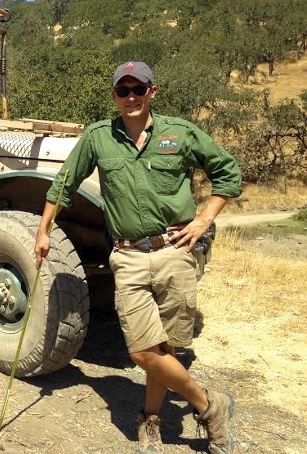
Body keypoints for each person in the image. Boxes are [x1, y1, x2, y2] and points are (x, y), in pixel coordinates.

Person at [34, 61, 242, 454]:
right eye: (122, 90)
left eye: (138, 89)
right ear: (114, 95)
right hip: (127, 256)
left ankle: (150, 419)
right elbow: (64, 184)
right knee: (142, 350)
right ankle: (210, 405)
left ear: (152, 92)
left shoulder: (178, 133)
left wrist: (203, 219)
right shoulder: (98, 137)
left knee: (167, 349)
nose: (130, 97)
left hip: (175, 252)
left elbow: (228, 172)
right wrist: (44, 230)